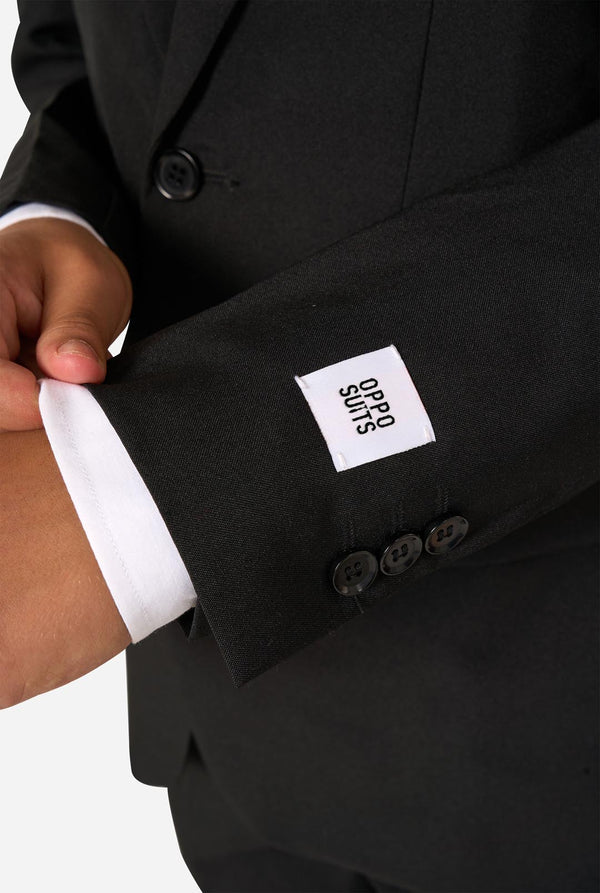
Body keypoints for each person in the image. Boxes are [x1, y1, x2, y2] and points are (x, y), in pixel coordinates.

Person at [0, 2, 597, 891]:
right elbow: (67, 35)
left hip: (535, 747)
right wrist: (58, 211)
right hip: (222, 744)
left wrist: (164, 488)